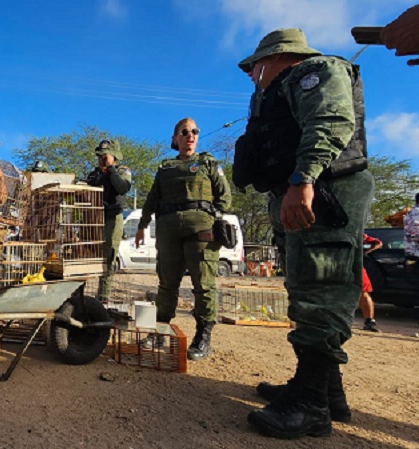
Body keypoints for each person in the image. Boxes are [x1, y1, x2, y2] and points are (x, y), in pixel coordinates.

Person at [234, 28, 375, 439]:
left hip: (323, 194)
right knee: (309, 290)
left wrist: (303, 179)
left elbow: (331, 121)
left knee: (322, 291)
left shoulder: (317, 71)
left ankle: (311, 405)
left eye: (254, 66)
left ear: (276, 57)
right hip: (305, 194)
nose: (251, 74)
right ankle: (326, 392)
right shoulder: (282, 88)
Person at [135, 121, 230, 361]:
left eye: (195, 131)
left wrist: (215, 220)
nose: (191, 135)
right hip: (168, 231)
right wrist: (141, 226)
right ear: (175, 138)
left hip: (201, 232)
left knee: (203, 283)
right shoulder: (166, 167)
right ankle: (160, 330)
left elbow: (224, 196)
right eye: (184, 132)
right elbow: (152, 199)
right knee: (167, 283)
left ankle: (203, 335)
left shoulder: (209, 163)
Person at [86, 140, 132, 304]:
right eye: (99, 156)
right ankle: (79, 295)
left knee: (109, 255)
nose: (101, 159)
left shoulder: (122, 171)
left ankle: (103, 297)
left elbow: (123, 187)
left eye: (105, 156)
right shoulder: (94, 173)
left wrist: (111, 169)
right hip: (94, 218)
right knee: (85, 254)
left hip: (113, 217)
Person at [360, 233, 383, 332]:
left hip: (354, 266)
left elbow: (377, 243)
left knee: (363, 293)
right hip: (328, 265)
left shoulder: (356, 232)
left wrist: (364, 252)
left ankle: (369, 321)